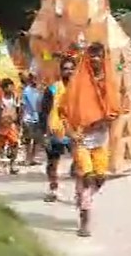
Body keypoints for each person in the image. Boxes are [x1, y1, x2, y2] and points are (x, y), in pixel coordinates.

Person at [56, 42, 121, 237]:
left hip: (101, 138)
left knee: (100, 177)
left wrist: (106, 117)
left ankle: (82, 197)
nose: (95, 59)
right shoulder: (77, 83)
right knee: (87, 177)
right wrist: (71, 133)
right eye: (91, 55)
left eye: (98, 55)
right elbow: (64, 113)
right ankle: (85, 222)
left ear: (104, 58)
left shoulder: (110, 81)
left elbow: (115, 108)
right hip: (82, 138)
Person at [41, 56, 76, 203]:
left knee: (80, 162)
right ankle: (53, 189)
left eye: (71, 68)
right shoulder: (53, 88)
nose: (68, 71)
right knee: (53, 162)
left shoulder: (81, 89)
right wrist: (45, 133)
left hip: (75, 131)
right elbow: (44, 111)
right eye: (65, 68)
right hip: (56, 130)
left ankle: (80, 192)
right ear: (60, 71)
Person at [0, 78, 20, 175]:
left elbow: (17, 109)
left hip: (11, 125)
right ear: (4, 88)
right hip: (1, 126)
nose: (12, 88)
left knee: (15, 143)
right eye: (9, 87)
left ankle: (12, 165)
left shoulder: (15, 97)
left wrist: (17, 121)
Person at [21, 72, 43, 166]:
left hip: (39, 118)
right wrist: (21, 118)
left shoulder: (41, 90)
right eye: (33, 78)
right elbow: (23, 105)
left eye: (36, 77)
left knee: (37, 140)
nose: (35, 79)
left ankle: (33, 158)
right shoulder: (26, 90)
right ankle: (27, 158)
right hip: (28, 118)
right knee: (28, 139)